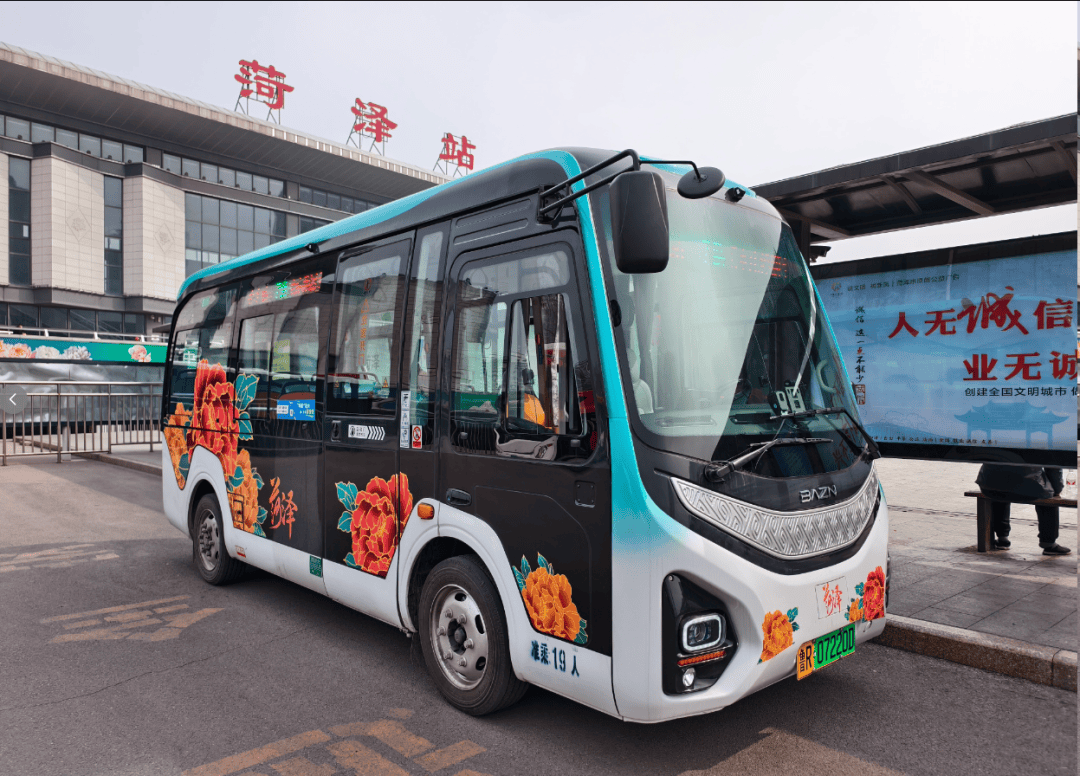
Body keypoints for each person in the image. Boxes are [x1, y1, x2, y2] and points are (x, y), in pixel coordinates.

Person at [975, 464, 1071, 555]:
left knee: (1000, 485)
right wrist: (1056, 490)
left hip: (988, 483)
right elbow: (1053, 468)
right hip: (1029, 485)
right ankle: (1049, 543)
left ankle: (1002, 538)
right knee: (1048, 495)